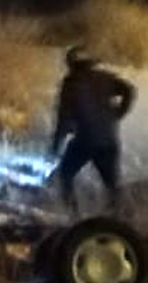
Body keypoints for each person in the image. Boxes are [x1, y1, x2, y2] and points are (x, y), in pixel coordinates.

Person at [50, 45, 135, 211]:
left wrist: (55, 145)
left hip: (85, 140)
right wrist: (119, 113)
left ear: (71, 64)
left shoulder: (70, 84)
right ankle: (119, 220)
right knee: (112, 185)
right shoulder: (104, 78)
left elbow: (63, 119)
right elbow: (129, 91)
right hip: (109, 140)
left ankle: (72, 218)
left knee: (65, 174)